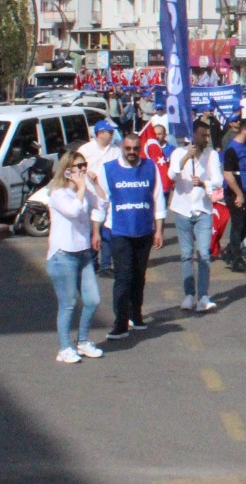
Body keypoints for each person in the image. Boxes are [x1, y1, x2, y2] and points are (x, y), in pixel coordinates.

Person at [96, 131, 165, 341]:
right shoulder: (108, 170)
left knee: (139, 276)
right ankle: (120, 323)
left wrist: (159, 230)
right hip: (119, 231)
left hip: (144, 230)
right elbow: (101, 202)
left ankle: (136, 315)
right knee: (123, 278)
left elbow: (158, 198)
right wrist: (95, 231)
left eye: (135, 148)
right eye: (128, 149)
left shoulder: (150, 167)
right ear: (121, 148)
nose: (132, 152)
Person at [46, 149, 106, 364]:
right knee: (68, 303)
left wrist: (95, 184)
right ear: (67, 170)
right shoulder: (58, 193)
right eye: (78, 166)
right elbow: (73, 211)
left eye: (84, 165)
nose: (82, 169)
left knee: (93, 300)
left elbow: (102, 205)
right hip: (63, 255)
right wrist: (81, 189)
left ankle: (82, 341)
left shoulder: (83, 189)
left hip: (83, 253)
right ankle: (64, 347)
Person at [169, 121, 222, 313]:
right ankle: (189, 295)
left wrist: (203, 183)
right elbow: (172, 175)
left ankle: (203, 295)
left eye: (208, 136)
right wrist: (185, 158)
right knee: (186, 254)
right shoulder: (178, 152)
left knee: (204, 253)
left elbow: (218, 181)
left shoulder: (212, 155)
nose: (206, 139)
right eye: (202, 135)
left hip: (203, 209)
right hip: (182, 208)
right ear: (193, 135)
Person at [79, 119, 122, 274]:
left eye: (112, 132)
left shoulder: (115, 151)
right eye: (108, 132)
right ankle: (91, 261)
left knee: (107, 231)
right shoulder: (85, 150)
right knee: (91, 230)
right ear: (100, 133)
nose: (111, 135)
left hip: (108, 196)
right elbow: (76, 168)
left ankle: (105, 264)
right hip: (89, 195)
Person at [221, 118, 246, 272]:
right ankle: (236, 260)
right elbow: (228, 174)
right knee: (238, 226)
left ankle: (231, 249)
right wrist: (239, 194)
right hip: (236, 191)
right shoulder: (232, 149)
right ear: (243, 130)